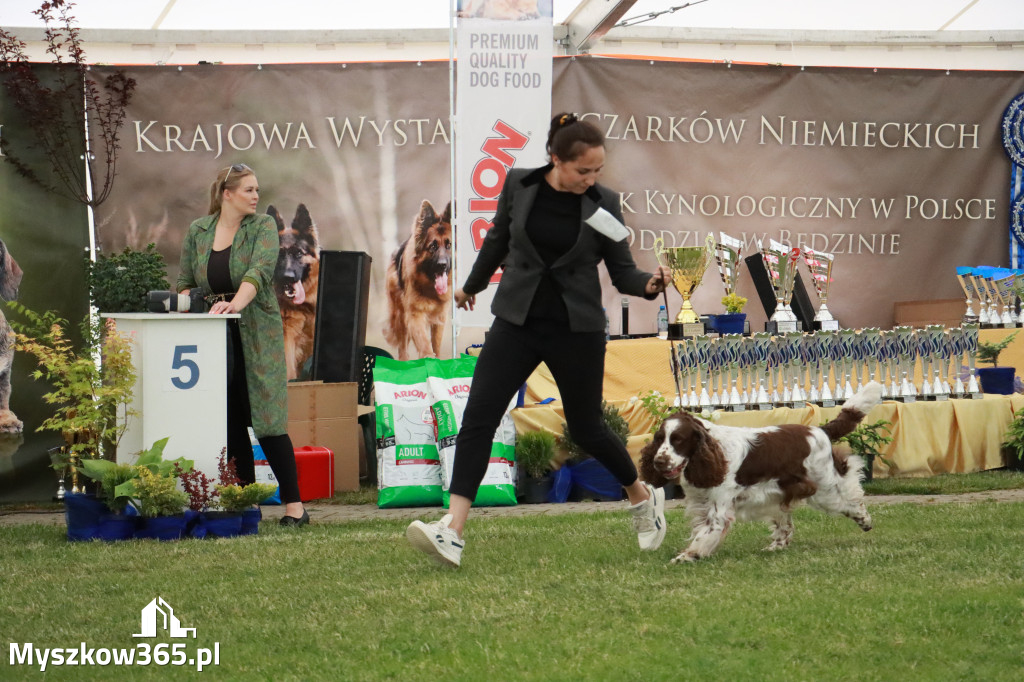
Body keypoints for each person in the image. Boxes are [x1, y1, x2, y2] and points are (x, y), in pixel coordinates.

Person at [406, 113, 672, 567]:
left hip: (577, 328)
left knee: (587, 427)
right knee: (479, 418)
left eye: (597, 171)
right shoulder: (520, 185)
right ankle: (452, 530)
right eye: (582, 171)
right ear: (555, 159)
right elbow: (498, 240)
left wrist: (649, 284)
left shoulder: (604, 202)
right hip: (518, 321)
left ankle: (642, 498)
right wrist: (470, 286)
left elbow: (623, 270)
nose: (590, 180)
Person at [177, 163, 308, 526]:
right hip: (214, 334)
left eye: (257, 189)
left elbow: (261, 270)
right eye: (249, 190)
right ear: (227, 194)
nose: (256, 196)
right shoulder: (199, 231)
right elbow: (186, 281)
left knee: (268, 419)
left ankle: (295, 507)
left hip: (255, 328)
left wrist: (236, 303)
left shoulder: (263, 226)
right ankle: (246, 503)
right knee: (230, 419)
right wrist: (194, 303)